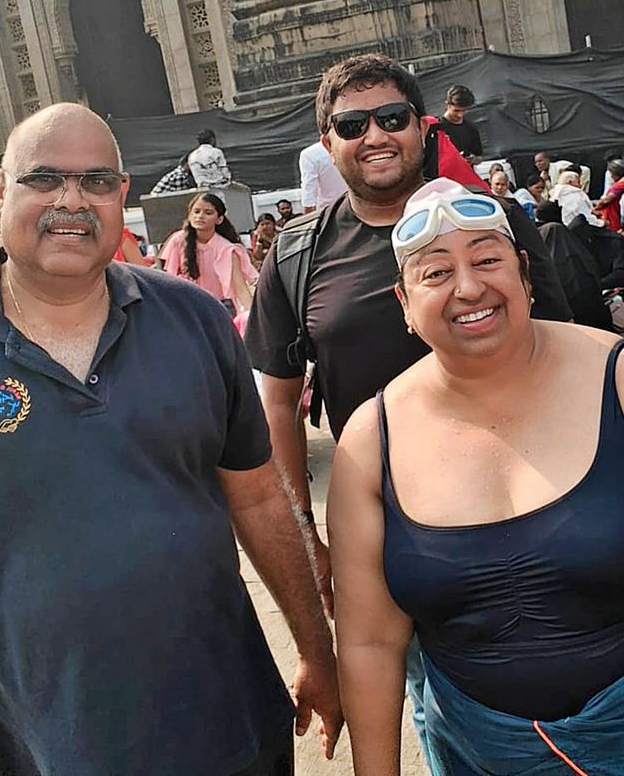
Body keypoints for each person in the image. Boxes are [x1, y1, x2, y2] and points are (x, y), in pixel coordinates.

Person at [0, 103, 341, 774]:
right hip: (52, 747)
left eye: (97, 182)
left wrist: (316, 650)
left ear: (123, 197)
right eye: (43, 179)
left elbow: (257, 497)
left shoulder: (191, 320)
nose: (71, 201)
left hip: (231, 730)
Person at [328, 179, 624, 774]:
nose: (468, 286)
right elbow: (370, 645)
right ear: (404, 304)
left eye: (487, 259)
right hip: (483, 752)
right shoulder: (370, 441)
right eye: (435, 273)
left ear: (526, 277)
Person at [245, 53, 572, 739]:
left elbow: (574, 355)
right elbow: (277, 405)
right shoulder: (297, 255)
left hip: (536, 505)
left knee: (578, 680)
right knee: (446, 713)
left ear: (421, 129)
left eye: (393, 118)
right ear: (326, 141)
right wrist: (309, 535)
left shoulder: (494, 221)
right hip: (402, 538)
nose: (376, 136)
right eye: (352, 124)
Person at [158, 192, 259, 319]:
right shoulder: (178, 241)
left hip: (220, 307)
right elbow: (169, 279)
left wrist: (252, 317)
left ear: (219, 219)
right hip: (187, 306)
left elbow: (241, 289)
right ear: (189, 215)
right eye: (196, 211)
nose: (200, 216)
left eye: (208, 213)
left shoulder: (227, 249)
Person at [298, 139, 348, 213]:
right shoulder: (353, 145)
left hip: (329, 211)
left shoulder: (310, 154)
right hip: (358, 208)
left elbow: (309, 191)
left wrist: (307, 219)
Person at [436, 84, 483, 159]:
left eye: (464, 111)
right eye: (456, 110)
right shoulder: (436, 128)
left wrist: (474, 159)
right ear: (447, 105)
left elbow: (479, 156)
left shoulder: (471, 129)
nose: (460, 115)